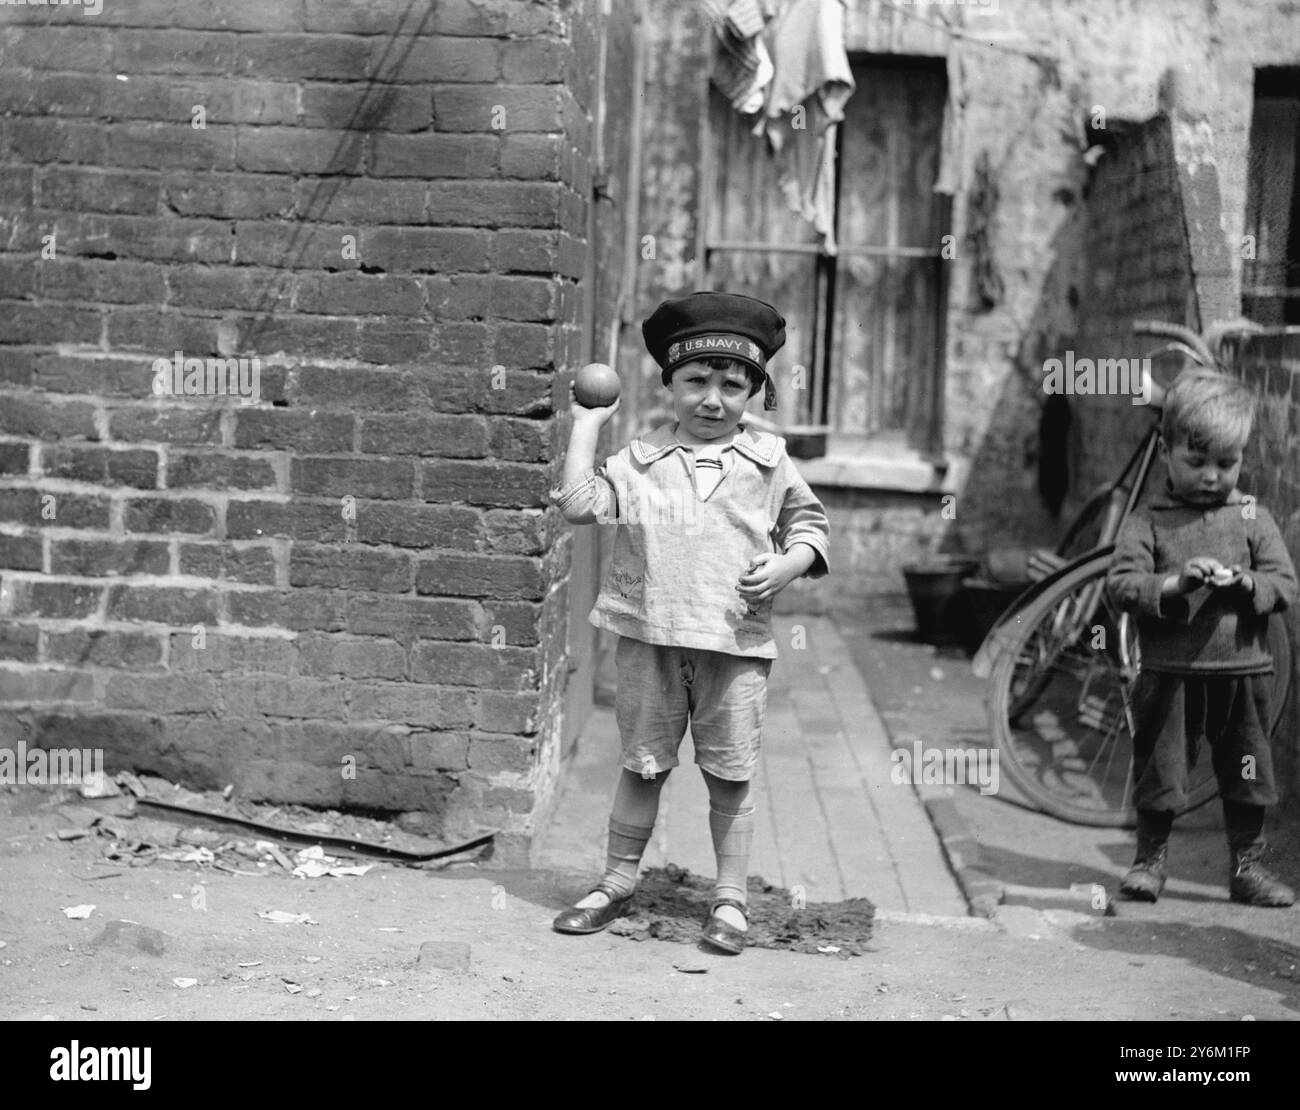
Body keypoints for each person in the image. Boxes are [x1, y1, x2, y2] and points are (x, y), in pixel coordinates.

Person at [548, 291, 830, 952]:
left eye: (732, 385)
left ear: (755, 393)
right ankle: (615, 883)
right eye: (696, 380)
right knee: (642, 765)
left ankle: (729, 902)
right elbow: (579, 505)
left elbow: (810, 526)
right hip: (650, 640)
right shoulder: (640, 461)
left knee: (730, 773)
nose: (712, 398)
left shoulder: (770, 464)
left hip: (734, 643)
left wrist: (790, 564)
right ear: (669, 384)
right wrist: (589, 422)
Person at [1107, 368, 1297, 907]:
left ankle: (1246, 869)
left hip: (1242, 673)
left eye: (1227, 463)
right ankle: (1149, 861)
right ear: (1165, 450)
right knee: (1160, 770)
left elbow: (1285, 585)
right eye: (1197, 461)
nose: (1213, 476)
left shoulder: (1252, 517)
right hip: (1170, 675)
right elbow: (1121, 585)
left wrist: (1247, 583)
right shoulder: (1150, 519)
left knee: (1248, 771)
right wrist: (1175, 581)